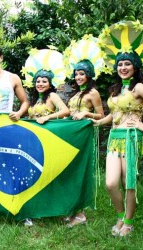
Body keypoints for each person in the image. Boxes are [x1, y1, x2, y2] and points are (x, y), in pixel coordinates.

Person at [92, 51, 143, 236]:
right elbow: (114, 115)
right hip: (115, 137)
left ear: (135, 67)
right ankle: (121, 215)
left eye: (127, 64)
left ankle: (128, 223)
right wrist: (98, 122)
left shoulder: (138, 87)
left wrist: (139, 124)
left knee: (127, 182)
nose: (123, 68)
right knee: (111, 183)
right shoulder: (116, 89)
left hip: (131, 137)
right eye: (120, 65)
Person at [66, 59, 104, 227]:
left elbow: (101, 115)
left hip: (83, 137)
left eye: (82, 74)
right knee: (70, 171)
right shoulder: (75, 94)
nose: (78, 77)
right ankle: (72, 209)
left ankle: (81, 214)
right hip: (72, 135)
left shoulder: (93, 93)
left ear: (89, 75)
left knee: (79, 172)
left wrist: (86, 115)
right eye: (76, 74)